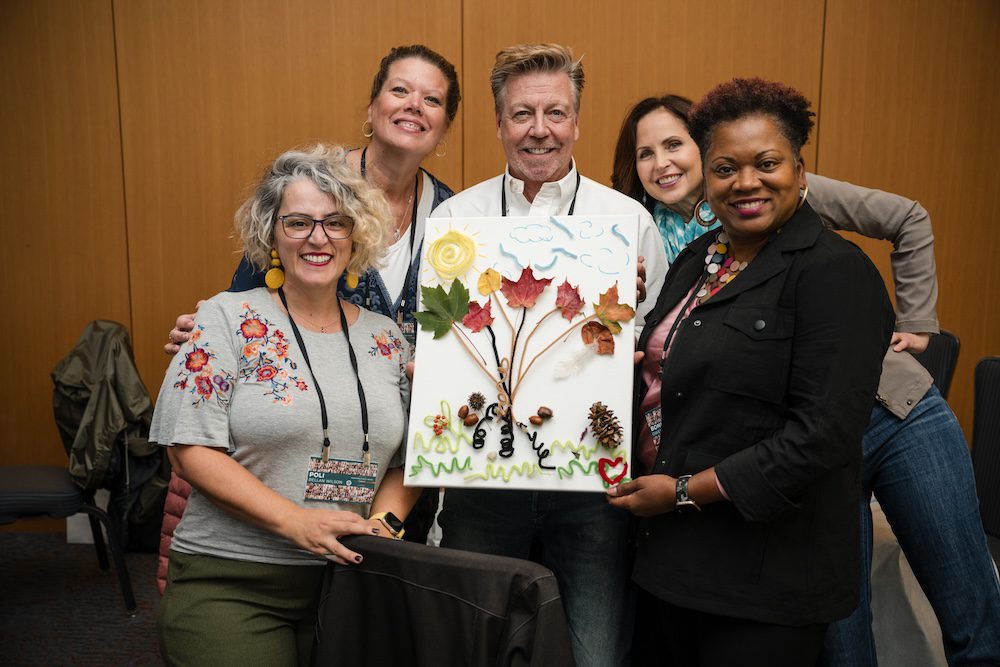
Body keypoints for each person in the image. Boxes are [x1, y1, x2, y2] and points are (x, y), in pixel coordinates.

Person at [612, 94, 1000, 665]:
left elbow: (821, 428)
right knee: (841, 630)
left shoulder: (821, 253)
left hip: (887, 411)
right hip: (771, 467)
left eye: (674, 145)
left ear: (796, 169)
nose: (663, 162)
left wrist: (917, 325)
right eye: (646, 152)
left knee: (967, 606)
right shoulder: (678, 244)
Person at [430, 43, 668, 667]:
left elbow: (659, 350)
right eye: (522, 114)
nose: (540, 130)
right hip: (483, 479)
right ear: (500, 124)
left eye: (555, 113)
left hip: (593, 484)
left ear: (577, 122)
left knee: (593, 652)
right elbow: (439, 338)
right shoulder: (456, 220)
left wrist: (623, 311)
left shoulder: (629, 222)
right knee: (473, 648)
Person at [165, 44, 460, 545]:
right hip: (285, 457)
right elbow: (253, 298)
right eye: (400, 90)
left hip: (396, 459)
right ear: (371, 108)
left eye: (431, 99)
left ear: (445, 125)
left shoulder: (458, 216)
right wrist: (204, 335)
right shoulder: (309, 188)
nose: (414, 105)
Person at [152, 144, 420, 666]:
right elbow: (189, 450)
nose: (318, 238)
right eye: (298, 223)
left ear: (356, 235)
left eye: (335, 223)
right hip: (231, 581)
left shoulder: (390, 339)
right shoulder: (224, 319)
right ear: (271, 234)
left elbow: (412, 457)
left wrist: (383, 527)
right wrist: (297, 522)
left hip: (351, 580)